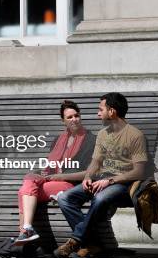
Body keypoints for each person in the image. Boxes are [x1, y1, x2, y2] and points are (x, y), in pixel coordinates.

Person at [55, 92, 148, 258]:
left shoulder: (135, 135)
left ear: (111, 112)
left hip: (123, 184)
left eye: (101, 109)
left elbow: (139, 171)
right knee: (65, 198)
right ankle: (91, 244)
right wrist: (88, 177)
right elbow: (95, 163)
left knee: (100, 198)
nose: (98, 114)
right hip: (101, 181)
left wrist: (110, 180)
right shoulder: (103, 134)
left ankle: (75, 240)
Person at [13, 100, 96, 245]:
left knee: (24, 192)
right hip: (54, 181)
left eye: (76, 115)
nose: (74, 119)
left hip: (71, 185)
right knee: (29, 179)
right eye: (69, 117)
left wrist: (60, 176)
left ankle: (24, 232)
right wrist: (43, 171)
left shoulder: (91, 140)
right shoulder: (58, 139)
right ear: (63, 121)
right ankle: (26, 231)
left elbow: (90, 173)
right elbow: (51, 165)